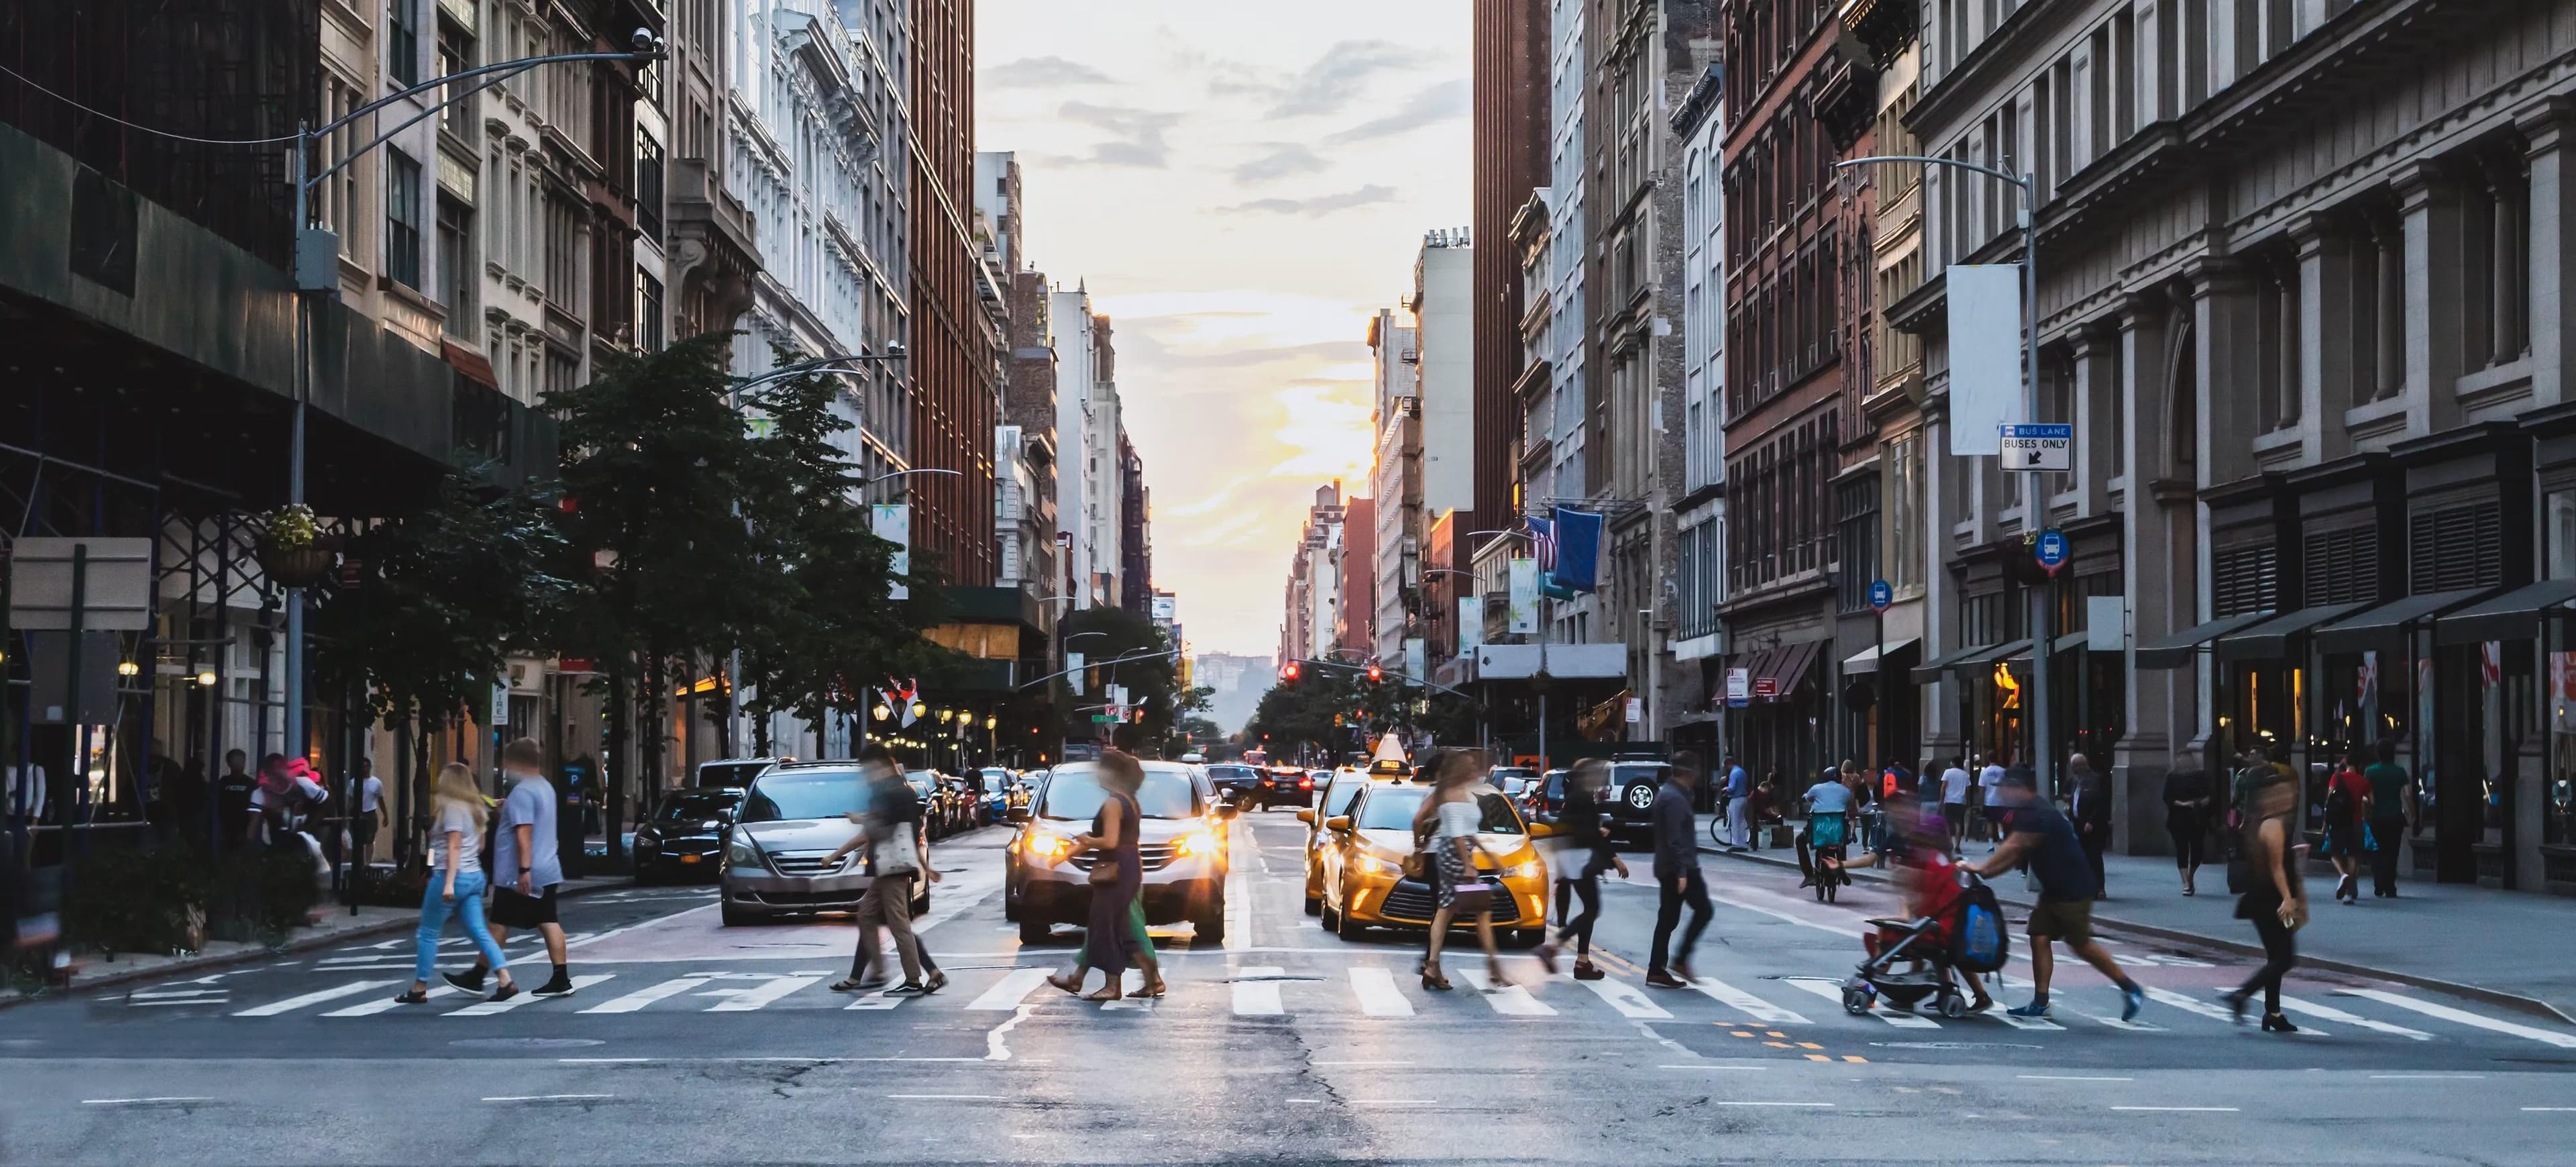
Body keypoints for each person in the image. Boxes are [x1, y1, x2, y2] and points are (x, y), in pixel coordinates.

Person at [1967, 769, 2145, 1021]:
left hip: (2072, 888)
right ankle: (2041, 1003)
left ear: (2021, 788)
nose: (2002, 792)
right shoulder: (2028, 812)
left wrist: (1982, 869)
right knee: (2039, 936)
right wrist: (1986, 872)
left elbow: (2014, 846)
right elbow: (2015, 854)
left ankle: (2131, 988)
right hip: (2055, 890)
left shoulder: (2035, 814)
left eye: (2006, 787)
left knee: (2081, 945)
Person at [446, 738, 575, 998]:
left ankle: (480, 975)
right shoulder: (544, 787)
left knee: (499, 922)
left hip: (520, 873)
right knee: (547, 920)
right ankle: (560, 977)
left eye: (508, 762)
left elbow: (523, 834)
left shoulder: (523, 792)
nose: (506, 767)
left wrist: (523, 870)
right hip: (547, 866)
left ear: (518, 763)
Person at [828, 746, 946, 994]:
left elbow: (879, 831)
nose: (866, 776)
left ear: (879, 766)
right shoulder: (905, 791)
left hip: (891, 868)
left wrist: (838, 850)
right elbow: (911, 834)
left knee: (898, 924)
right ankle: (869, 974)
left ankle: (913, 979)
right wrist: (926, 867)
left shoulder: (888, 793)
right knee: (868, 916)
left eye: (868, 770)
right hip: (891, 867)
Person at [394, 763, 515, 1004]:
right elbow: (479, 846)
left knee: (428, 933)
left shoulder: (452, 808)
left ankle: (419, 988)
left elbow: (454, 846)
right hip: (474, 877)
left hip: (451, 876)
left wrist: (448, 883)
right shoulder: (476, 809)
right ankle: (505, 979)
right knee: (479, 931)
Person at [1051, 750, 1153, 1002]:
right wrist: (1073, 850)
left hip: (1116, 869)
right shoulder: (1128, 800)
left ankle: (1112, 986)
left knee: (1108, 925)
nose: (1097, 774)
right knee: (1106, 924)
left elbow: (1109, 841)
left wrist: (1086, 841)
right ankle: (1078, 978)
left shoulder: (1113, 803)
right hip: (1127, 866)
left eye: (1101, 769)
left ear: (1112, 774)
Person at [1415, 749, 1507, 991]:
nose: (1474, 767)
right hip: (1453, 853)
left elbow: (1468, 832)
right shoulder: (1448, 793)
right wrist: (1467, 863)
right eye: (1469, 764)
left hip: (1460, 851)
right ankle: (1491, 966)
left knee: (1450, 910)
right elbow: (1456, 832)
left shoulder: (1465, 794)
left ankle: (1434, 965)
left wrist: (1489, 855)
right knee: (1462, 909)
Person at [2222, 766, 2306, 1032]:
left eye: (2289, 792)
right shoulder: (2273, 825)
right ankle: (2241, 995)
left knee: (2276, 957)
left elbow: (2273, 859)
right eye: (2281, 793)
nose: (2288, 797)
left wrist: (2294, 854)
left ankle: (2273, 1013)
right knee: (2284, 959)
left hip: (2261, 899)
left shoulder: (2260, 823)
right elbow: (2277, 867)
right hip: (2272, 901)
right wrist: (2288, 899)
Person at [1534, 759, 1627, 980]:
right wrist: (1614, 857)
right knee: (1593, 909)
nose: (1600, 778)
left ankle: (1582, 962)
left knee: (1591, 908)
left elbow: (1573, 828)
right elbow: (1585, 833)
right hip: (1580, 858)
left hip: (1573, 858)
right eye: (1597, 774)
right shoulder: (1582, 797)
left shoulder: (1575, 796)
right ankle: (1553, 948)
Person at [1644, 752, 1713, 989]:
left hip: (1671, 865)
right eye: (1695, 772)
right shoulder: (1674, 799)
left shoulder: (1672, 794)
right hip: (1680, 868)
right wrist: (1682, 872)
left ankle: (1657, 969)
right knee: (1703, 910)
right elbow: (1675, 838)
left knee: (1668, 918)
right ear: (1688, 773)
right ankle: (1679, 960)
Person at [2362, 740, 2415, 899]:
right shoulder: (2400, 771)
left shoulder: (2370, 771)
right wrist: (2412, 813)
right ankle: (2390, 886)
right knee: (2392, 852)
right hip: (2395, 816)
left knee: (2378, 851)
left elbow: (2366, 796)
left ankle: (2379, 883)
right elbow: (2407, 794)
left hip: (2377, 816)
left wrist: (2366, 814)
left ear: (2378, 754)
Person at [247, 754, 329, 852]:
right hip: (280, 837)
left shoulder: (304, 784)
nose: (277, 779)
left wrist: (310, 826)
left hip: (309, 834)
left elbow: (326, 803)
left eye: (279, 773)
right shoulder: (261, 793)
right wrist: (249, 850)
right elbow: (253, 823)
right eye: (273, 774)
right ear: (267, 775)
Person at [2319, 748, 2371, 904]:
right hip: (2356, 821)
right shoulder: (2363, 781)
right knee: (2354, 855)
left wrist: (2325, 826)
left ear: (2346, 763)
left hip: (2338, 822)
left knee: (2335, 854)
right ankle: (2350, 892)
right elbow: (2371, 802)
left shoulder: (2336, 778)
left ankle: (2343, 875)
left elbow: (2329, 803)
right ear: (2360, 765)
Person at [1796, 766, 1856, 887]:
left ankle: (1809, 875)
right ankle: (1842, 868)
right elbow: (1850, 803)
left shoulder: (1816, 788)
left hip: (1818, 827)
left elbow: (1807, 798)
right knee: (1842, 841)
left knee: (1800, 841)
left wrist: (1805, 798)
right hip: (1837, 828)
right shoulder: (1845, 791)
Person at [2163, 751, 2212, 896]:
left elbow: (2209, 794)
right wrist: (2183, 804)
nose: (2182, 761)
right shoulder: (2172, 777)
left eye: (2185, 758)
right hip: (2178, 817)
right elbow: (2167, 797)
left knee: (2197, 851)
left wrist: (2201, 802)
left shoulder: (2200, 775)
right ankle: (2186, 882)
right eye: (2180, 758)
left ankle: (2190, 876)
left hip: (2197, 817)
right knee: (2182, 849)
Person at [2068, 753, 2111, 900]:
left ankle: (2099, 887)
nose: (2072, 769)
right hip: (2078, 824)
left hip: (2093, 826)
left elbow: (2102, 804)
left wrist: (2091, 821)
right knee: (2082, 857)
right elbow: (2074, 798)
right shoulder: (2075, 781)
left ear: (2080, 766)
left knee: (2095, 857)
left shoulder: (2096, 780)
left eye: (2074, 766)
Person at [350, 757, 386, 889]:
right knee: (359, 840)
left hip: (370, 813)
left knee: (370, 839)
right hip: (358, 813)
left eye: (366, 767)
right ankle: (360, 862)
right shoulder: (353, 783)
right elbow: (351, 800)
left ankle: (368, 862)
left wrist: (385, 815)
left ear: (370, 767)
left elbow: (381, 800)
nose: (364, 769)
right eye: (362, 767)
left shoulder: (376, 783)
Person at [214, 750, 256, 848]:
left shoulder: (251, 783)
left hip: (244, 826)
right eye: (236, 761)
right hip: (226, 826)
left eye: (241, 761)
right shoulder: (223, 783)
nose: (239, 764)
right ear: (229, 763)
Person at [1939, 757, 1972, 854]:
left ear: (1953, 763)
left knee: (1948, 824)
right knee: (1958, 824)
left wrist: (1941, 800)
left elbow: (1943, 787)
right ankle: (1957, 846)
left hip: (1949, 800)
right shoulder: (1965, 774)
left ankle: (1950, 844)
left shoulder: (1947, 772)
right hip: (1960, 801)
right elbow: (1968, 790)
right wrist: (1968, 801)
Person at [1721, 754, 1751, 852]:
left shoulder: (1734, 773)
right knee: (1742, 821)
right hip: (1744, 798)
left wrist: (1725, 789)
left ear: (1729, 764)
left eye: (1726, 767)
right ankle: (1743, 843)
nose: (1726, 769)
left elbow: (1732, 787)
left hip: (1736, 799)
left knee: (1735, 822)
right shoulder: (1742, 771)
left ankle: (1736, 844)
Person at [1977, 754, 2008, 846]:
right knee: (2000, 822)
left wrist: (1981, 803)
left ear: (1988, 759)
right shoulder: (2003, 771)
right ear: (1997, 758)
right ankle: (2001, 838)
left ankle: (1991, 845)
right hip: (2001, 801)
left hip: (1989, 801)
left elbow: (1981, 789)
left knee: (1990, 823)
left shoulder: (1984, 772)